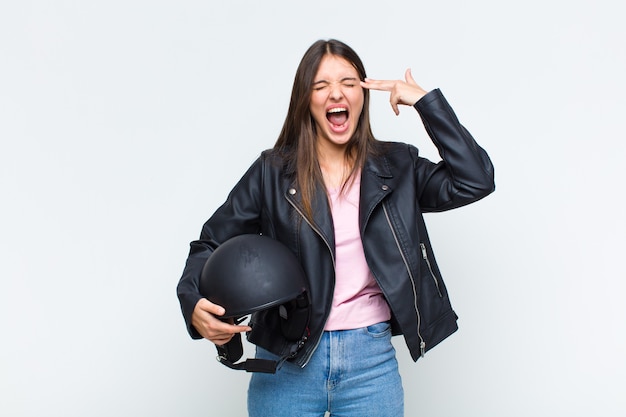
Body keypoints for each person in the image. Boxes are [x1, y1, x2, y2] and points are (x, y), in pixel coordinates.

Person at [177, 38, 495, 417]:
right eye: (320, 85)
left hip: (371, 363)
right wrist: (193, 303)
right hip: (288, 360)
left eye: (347, 82)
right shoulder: (272, 172)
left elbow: (474, 179)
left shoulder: (398, 166)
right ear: (305, 100)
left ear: (363, 93)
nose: (335, 94)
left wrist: (427, 104)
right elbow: (211, 242)